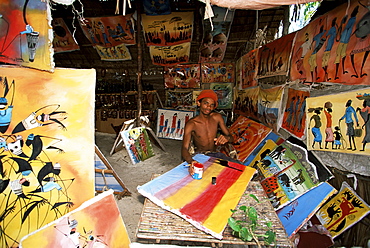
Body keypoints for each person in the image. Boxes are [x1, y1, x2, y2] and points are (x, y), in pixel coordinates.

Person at [181, 89, 234, 173]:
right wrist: (191, 161)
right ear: (199, 103)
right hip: (200, 156)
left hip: (215, 155)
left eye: (212, 105)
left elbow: (231, 138)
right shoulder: (192, 124)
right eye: (206, 103)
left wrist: (226, 138)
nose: (209, 107)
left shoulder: (217, 118)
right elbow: (184, 148)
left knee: (238, 169)